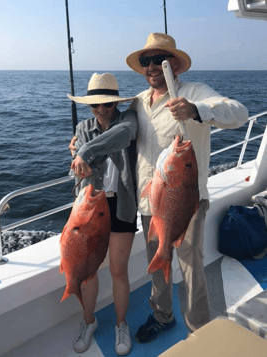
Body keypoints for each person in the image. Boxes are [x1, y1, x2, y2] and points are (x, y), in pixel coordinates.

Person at [124, 33, 249, 343]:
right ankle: (162, 315)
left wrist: (196, 110)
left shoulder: (195, 92)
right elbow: (118, 134)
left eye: (160, 60)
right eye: (146, 60)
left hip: (186, 202)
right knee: (157, 265)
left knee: (191, 268)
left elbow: (239, 113)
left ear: (174, 64)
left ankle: (200, 330)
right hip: (150, 203)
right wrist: (82, 144)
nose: (152, 66)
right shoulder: (138, 102)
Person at [67, 72, 138, 355]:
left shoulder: (128, 120)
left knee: (119, 271)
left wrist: (83, 149)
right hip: (90, 207)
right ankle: (89, 321)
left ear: (115, 103)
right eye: (94, 105)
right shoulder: (83, 127)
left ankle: (122, 324)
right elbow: (85, 166)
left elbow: (123, 136)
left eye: (106, 104)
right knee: (87, 273)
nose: (100, 109)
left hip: (121, 204)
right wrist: (79, 154)